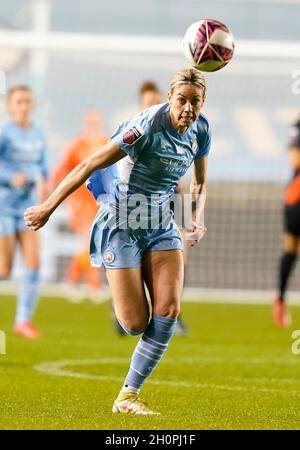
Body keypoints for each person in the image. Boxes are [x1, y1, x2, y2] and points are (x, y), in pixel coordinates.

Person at [24, 68, 210, 414]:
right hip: (121, 224)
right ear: (170, 98)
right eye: (181, 100)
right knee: (135, 323)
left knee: (169, 309)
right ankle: (122, 283)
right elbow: (89, 164)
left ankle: (128, 395)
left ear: (203, 102)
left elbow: (196, 182)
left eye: (195, 101)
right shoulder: (146, 128)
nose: (187, 108)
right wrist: (48, 207)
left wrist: (193, 218)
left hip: (160, 226)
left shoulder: (201, 131)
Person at [0, 85, 49, 338]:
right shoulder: (4, 132)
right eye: (19, 102)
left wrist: (46, 184)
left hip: (28, 207)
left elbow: (43, 166)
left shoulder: (38, 133)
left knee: (34, 262)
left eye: (27, 102)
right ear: (10, 105)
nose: (24, 106)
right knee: (4, 269)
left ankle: (23, 321)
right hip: (4, 206)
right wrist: (10, 178)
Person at [52, 109, 108, 302]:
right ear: (85, 122)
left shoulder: (105, 143)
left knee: (97, 242)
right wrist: (64, 195)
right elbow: (60, 171)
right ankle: (91, 285)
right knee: (90, 240)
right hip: (81, 202)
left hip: (99, 201)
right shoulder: (76, 145)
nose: (93, 123)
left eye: (96, 120)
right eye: (90, 120)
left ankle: (73, 278)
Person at [274, 116, 300, 328]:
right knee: (290, 249)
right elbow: (295, 160)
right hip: (297, 197)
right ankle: (280, 301)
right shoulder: (297, 127)